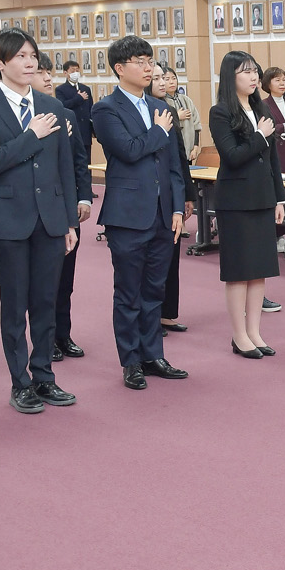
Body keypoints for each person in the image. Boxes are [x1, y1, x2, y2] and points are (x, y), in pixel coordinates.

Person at [0, 28, 80, 413]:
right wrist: (30, 135)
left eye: (32, 55)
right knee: (15, 305)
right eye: (20, 57)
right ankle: (21, 383)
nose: (30, 63)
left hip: (50, 218)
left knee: (46, 302)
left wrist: (69, 222)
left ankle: (44, 376)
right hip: (8, 220)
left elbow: (64, 167)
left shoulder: (52, 106)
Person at [91, 38, 188, 387]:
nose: (149, 68)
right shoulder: (106, 109)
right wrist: (158, 130)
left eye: (151, 61)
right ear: (120, 68)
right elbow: (129, 151)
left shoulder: (160, 106)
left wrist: (177, 207)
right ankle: (130, 360)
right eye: (140, 62)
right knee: (128, 292)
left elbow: (174, 164)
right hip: (128, 215)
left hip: (163, 214)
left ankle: (153, 354)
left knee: (154, 290)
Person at [208, 50, 285, 357]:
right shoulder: (220, 112)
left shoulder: (261, 107)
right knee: (239, 271)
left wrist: (279, 198)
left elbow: (273, 158)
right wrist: (259, 135)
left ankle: (254, 332)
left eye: (255, 71)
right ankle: (239, 335)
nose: (254, 77)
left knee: (259, 270)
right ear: (231, 77)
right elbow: (232, 156)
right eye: (246, 72)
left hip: (263, 197)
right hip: (236, 201)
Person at [33, 55, 94, 356]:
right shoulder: (22, 118)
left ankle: (63, 335)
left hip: (66, 206)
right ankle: (44, 340)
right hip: (37, 208)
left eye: (49, 72)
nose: (47, 78)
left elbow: (79, 161)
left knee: (65, 278)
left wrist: (84, 197)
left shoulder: (65, 114)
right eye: (40, 72)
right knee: (41, 282)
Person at [150, 62, 193, 334]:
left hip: (172, 192)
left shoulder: (169, 111)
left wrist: (187, 195)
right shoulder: (146, 112)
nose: (162, 83)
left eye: (163, 78)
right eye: (156, 78)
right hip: (150, 195)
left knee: (172, 254)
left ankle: (168, 314)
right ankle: (151, 316)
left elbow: (179, 157)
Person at [55, 59, 94, 154]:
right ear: (65, 73)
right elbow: (63, 106)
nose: (75, 73)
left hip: (85, 131)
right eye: (72, 71)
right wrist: (78, 98)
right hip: (71, 129)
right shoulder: (60, 89)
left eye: (77, 70)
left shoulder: (85, 88)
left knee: (87, 157)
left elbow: (91, 108)